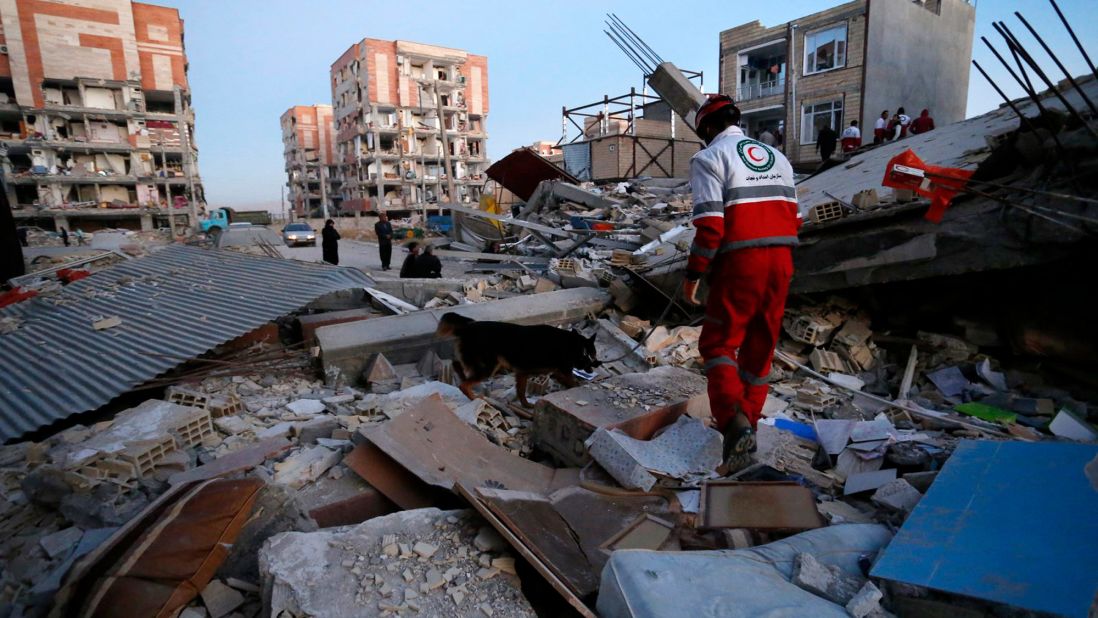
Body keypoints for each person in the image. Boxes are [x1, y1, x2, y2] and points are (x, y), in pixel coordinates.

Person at [681, 94, 800, 474]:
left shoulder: (709, 158)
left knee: (718, 344)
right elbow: (791, 216)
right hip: (782, 260)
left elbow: (712, 226)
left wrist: (694, 274)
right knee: (760, 348)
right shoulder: (778, 158)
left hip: (740, 261)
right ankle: (746, 428)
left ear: (707, 129)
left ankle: (732, 422)